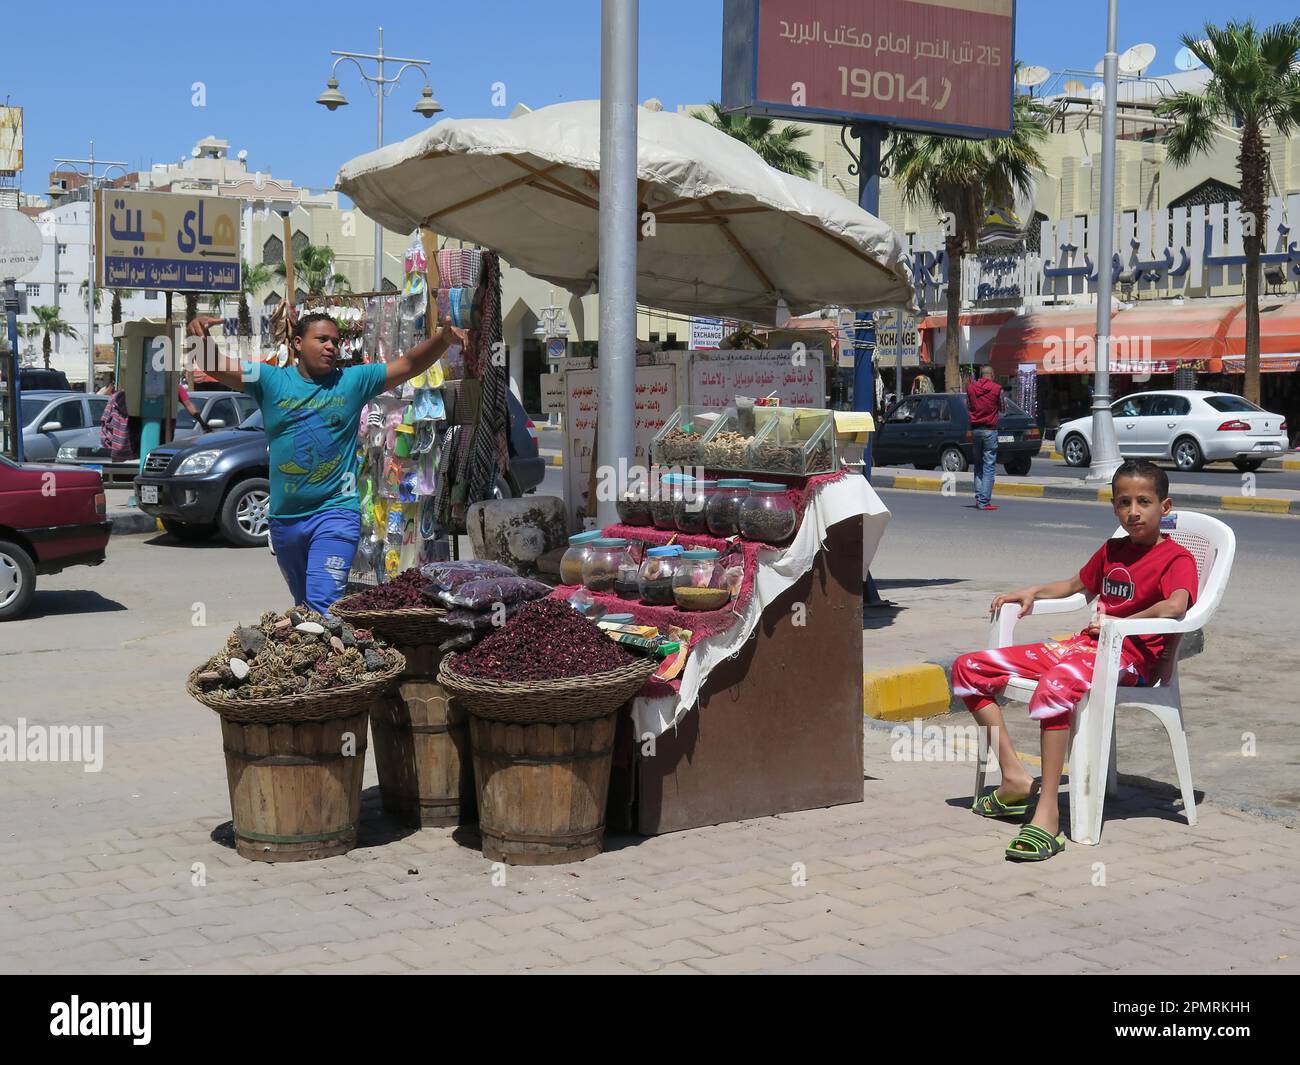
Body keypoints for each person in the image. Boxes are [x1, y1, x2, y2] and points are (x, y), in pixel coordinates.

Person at [950, 460, 1198, 861]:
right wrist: (1030, 591)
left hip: (1132, 659)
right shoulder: (1113, 549)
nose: (1133, 512)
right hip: (1085, 648)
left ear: (1164, 506)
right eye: (1123, 502)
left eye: (1144, 502)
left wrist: (1120, 622)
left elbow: (1174, 606)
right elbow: (1075, 586)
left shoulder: (1176, 559)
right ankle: (1014, 777)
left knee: (1057, 685)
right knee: (970, 668)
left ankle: (1047, 813)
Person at [188, 309, 457, 614]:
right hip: (284, 520)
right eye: (322, 339)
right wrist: (199, 336)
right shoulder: (269, 379)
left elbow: (409, 364)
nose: (331, 346)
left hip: (335, 513)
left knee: (322, 604)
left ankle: (332, 654)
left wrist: (443, 339)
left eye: (336, 341)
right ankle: (325, 659)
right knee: (304, 609)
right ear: (298, 343)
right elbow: (215, 366)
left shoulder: (353, 381)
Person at [966, 365, 1005, 511]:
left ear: (981, 375)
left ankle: (979, 497)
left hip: (976, 430)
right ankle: (984, 501)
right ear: (992, 375)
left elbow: (968, 406)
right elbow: (1003, 407)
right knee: (989, 466)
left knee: (978, 465)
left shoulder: (971, 388)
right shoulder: (997, 389)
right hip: (989, 430)